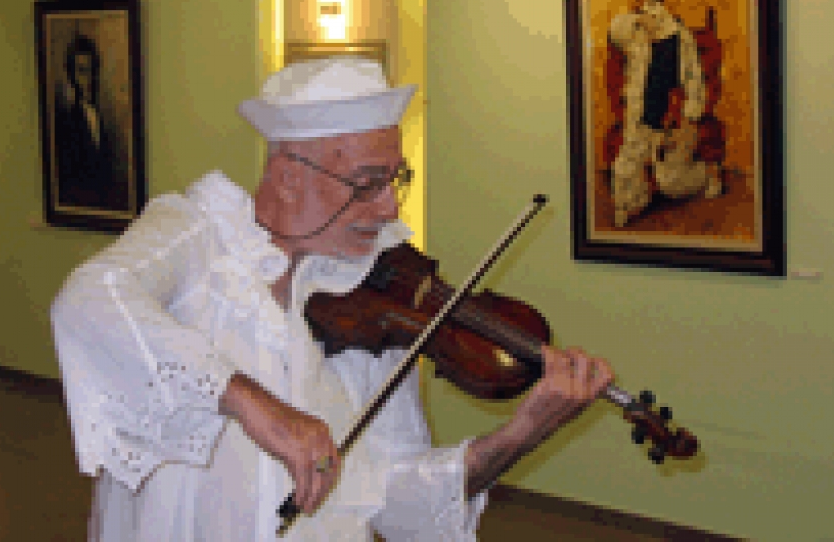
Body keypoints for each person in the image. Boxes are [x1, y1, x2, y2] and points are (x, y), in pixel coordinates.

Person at [51, 56, 615, 541]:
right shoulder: (197, 233)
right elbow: (90, 298)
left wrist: (517, 437)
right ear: (288, 176)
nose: (390, 208)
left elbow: (388, 497)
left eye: (395, 180)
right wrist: (253, 403)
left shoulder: (371, 294)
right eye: (367, 183)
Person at [608, 0, 722, 228]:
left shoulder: (681, 38)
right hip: (641, 117)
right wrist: (638, 20)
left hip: (673, 118)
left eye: (652, 2)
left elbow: (694, 80)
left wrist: (689, 119)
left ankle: (707, 173)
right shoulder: (635, 34)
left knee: (671, 183)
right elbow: (616, 31)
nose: (648, 9)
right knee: (627, 164)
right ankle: (628, 204)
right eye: (642, 4)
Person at [54, 33, 126, 210]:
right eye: (81, 71)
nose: (87, 78)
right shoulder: (66, 118)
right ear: (71, 75)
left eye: (91, 70)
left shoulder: (97, 113)